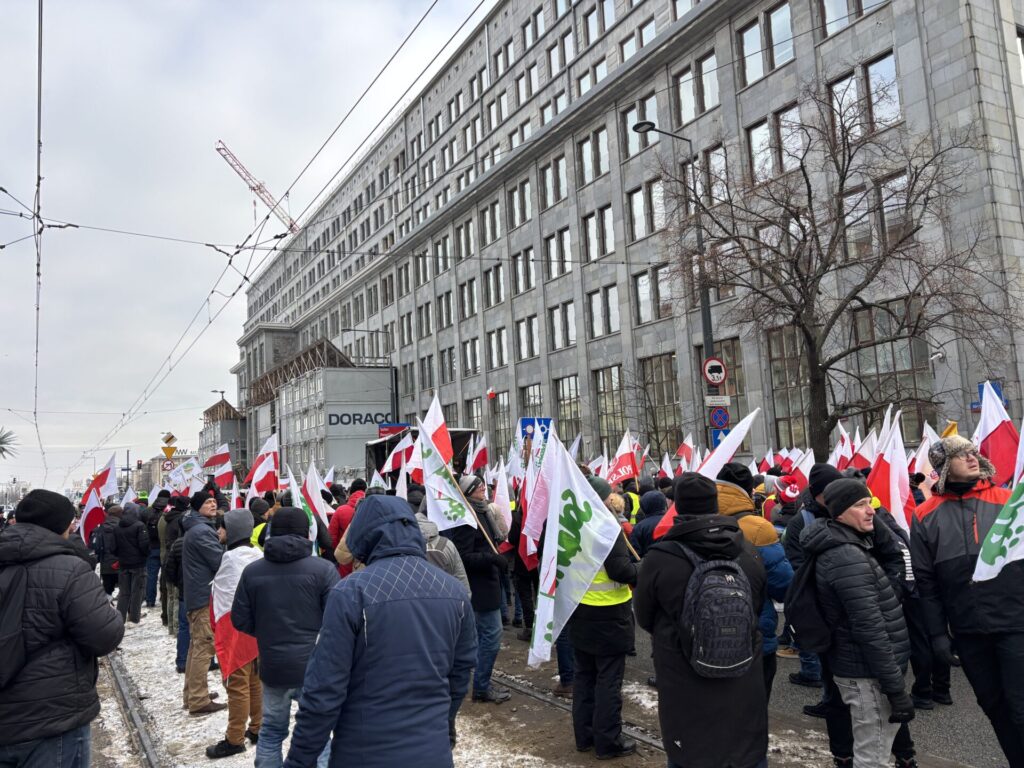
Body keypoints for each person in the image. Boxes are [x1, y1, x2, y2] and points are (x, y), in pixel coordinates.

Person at [282, 495, 477, 768]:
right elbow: (461, 672)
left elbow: (323, 691)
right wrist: (442, 726)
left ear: (363, 534)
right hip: (432, 751)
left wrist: (299, 760)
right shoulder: (454, 591)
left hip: (364, 754)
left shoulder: (351, 592)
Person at [635, 473, 768, 768]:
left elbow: (643, 616)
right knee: (746, 751)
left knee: (690, 753)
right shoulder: (748, 552)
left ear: (677, 506)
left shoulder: (659, 557)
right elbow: (756, 606)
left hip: (684, 675)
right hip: (742, 674)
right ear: (715, 504)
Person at [912, 435, 1024, 766]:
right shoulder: (924, 515)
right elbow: (926, 583)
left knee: (1021, 707)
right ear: (944, 467)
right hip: (968, 630)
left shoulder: (1008, 502)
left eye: (973, 452)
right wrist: (937, 635)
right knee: (994, 706)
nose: (973, 458)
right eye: (962, 455)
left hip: (1015, 623)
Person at [0, 489, 125, 765]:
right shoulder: (71, 569)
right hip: (53, 716)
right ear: (61, 525)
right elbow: (103, 636)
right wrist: (113, 614)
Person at [803, 478, 914, 767]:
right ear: (839, 513)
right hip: (868, 674)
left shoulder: (849, 546)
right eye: (860, 505)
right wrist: (895, 688)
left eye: (870, 503)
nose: (870, 511)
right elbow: (870, 628)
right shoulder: (846, 556)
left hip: (866, 669)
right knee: (873, 758)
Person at [232, 506, 338, 768]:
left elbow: (240, 618)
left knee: (271, 732)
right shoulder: (324, 570)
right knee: (318, 734)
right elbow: (338, 619)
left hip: (273, 665)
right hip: (314, 666)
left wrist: (268, 632)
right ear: (306, 534)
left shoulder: (253, 572)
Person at [570, 477, 639, 760]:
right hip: (609, 614)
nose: (613, 499)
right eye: (609, 495)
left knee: (584, 678)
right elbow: (620, 571)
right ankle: (608, 743)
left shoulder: (571, 522)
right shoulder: (605, 526)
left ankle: (584, 737)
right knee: (608, 682)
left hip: (579, 611)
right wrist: (643, 567)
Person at [715, 463, 793, 699]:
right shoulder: (758, 527)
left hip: (706, 635)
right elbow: (783, 586)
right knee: (754, 708)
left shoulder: (694, 521)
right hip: (754, 632)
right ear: (749, 490)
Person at [444, 474, 511, 704]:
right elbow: (464, 557)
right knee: (491, 637)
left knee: (483, 637)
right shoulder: (467, 518)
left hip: (490, 584)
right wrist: (492, 559)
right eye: (479, 486)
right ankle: (481, 687)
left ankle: (479, 683)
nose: (484, 488)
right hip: (479, 588)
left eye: (483, 485)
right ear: (469, 491)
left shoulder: (482, 512)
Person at [206, 509, 264, 759]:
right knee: (255, 681)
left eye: (222, 527)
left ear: (233, 531)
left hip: (236, 630)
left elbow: (223, 597)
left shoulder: (229, 560)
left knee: (237, 685)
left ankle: (234, 738)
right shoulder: (258, 555)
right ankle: (257, 727)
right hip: (258, 628)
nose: (219, 532)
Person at [784, 463, 843, 693]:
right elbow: (795, 561)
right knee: (817, 646)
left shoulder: (848, 511)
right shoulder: (800, 522)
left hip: (844, 597)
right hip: (816, 596)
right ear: (818, 492)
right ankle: (826, 696)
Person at [182, 490, 226, 715]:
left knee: (196, 646)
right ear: (197, 507)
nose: (212, 504)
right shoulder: (201, 531)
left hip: (197, 594)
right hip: (203, 596)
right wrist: (225, 543)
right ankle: (198, 699)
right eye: (207, 502)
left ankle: (192, 693)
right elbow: (219, 561)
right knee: (204, 646)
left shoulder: (199, 528)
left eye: (213, 501)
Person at [110, 501, 150, 624]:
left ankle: (120, 618)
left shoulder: (117, 527)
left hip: (123, 563)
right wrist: (145, 554)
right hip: (138, 564)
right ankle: (134, 617)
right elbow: (144, 545)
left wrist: (121, 556)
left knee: (124, 592)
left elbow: (113, 547)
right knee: (137, 591)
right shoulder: (139, 526)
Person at [142, 493, 167, 610]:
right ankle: (164, 597)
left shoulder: (147, 511)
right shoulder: (167, 512)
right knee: (165, 575)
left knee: (151, 575)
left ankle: (150, 600)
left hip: (151, 547)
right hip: (164, 548)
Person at [93, 504, 123, 597]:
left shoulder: (101, 528)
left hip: (106, 564)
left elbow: (97, 547)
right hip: (120, 563)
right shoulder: (123, 527)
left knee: (107, 591)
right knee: (124, 590)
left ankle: (106, 609)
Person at [630, 489, 669, 558]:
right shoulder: (673, 521)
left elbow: (635, 555)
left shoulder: (639, 528)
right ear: (664, 504)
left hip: (648, 565)